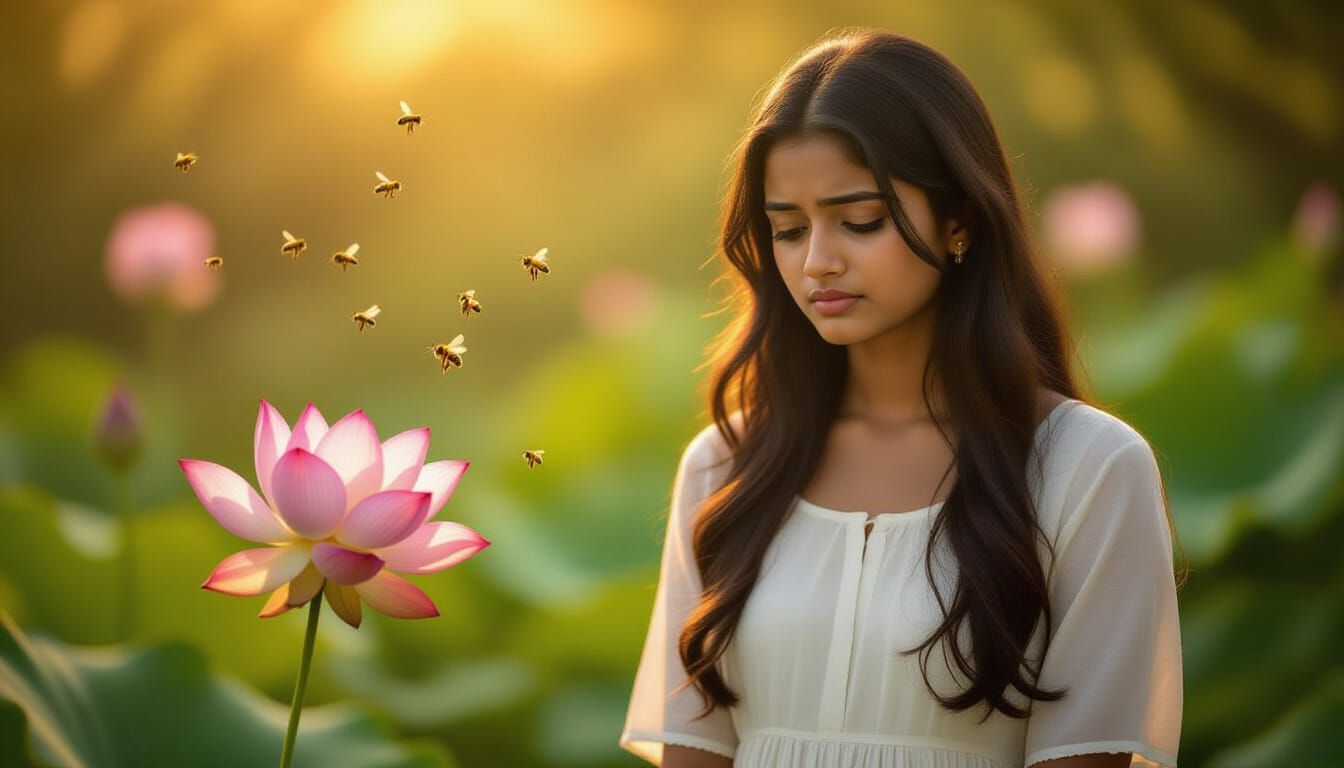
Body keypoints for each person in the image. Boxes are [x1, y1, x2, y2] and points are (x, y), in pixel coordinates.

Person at [619, 28, 1187, 768]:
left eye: (860, 221)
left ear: (960, 222)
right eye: (788, 230)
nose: (818, 261)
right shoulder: (728, 466)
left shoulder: (1089, 469)